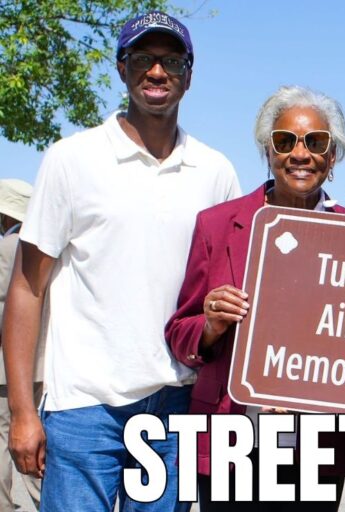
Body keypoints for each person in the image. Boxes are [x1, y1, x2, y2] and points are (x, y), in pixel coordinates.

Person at [2, 11, 241, 512]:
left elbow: (231, 291)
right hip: (83, 406)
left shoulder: (215, 172)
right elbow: (27, 288)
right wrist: (24, 412)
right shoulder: (72, 159)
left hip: (174, 406)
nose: (157, 72)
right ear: (121, 68)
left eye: (171, 61)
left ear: (189, 75)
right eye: (143, 60)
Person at [166, 85, 345, 511]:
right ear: (268, 151)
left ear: (333, 155)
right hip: (233, 440)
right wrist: (210, 326)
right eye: (285, 141)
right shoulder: (218, 225)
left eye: (316, 142)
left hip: (316, 451)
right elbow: (179, 331)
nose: (300, 154)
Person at [0, 179, 43, 511]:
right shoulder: (42, 246)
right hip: (42, 361)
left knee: (4, 438)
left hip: (6, 366)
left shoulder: (7, 247)